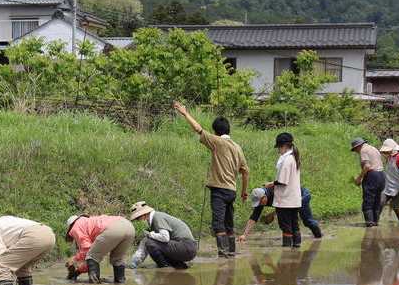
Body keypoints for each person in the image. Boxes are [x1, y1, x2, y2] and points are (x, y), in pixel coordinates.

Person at [172, 101, 250, 257]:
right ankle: (231, 253)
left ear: (216, 131)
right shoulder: (237, 147)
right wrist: (244, 192)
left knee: (218, 224)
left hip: (219, 191)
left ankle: (223, 254)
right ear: (228, 129)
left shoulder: (217, 141)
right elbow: (245, 171)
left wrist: (185, 113)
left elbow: (198, 129)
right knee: (229, 224)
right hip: (232, 191)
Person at [65, 214, 136, 283]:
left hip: (113, 229)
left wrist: (75, 261)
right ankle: (120, 283)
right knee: (117, 259)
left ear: (70, 227)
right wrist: (78, 265)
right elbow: (90, 251)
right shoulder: (88, 221)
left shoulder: (76, 227)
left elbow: (87, 251)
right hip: (129, 226)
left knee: (92, 257)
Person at [126, 202, 198, 269]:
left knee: (150, 243)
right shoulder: (153, 221)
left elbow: (165, 237)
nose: (138, 221)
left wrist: (150, 234)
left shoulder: (157, 217)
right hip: (186, 248)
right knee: (150, 242)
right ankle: (178, 265)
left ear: (144, 215)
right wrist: (134, 262)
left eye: (138, 218)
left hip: (186, 247)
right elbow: (144, 243)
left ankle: (164, 267)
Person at [269, 132, 304, 247]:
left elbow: (282, 181)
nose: (278, 150)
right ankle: (296, 249)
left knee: (286, 227)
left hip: (285, 200)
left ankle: (287, 253)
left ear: (284, 146)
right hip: (294, 200)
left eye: (279, 147)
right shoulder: (294, 158)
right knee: (295, 225)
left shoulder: (287, 160)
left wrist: (270, 184)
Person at [351, 137, 385, 227]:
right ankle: (375, 223)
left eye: (355, 150)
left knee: (368, 202)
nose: (356, 152)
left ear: (358, 146)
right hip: (381, 175)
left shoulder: (363, 150)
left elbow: (367, 166)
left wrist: (359, 178)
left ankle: (369, 225)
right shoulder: (374, 148)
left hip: (372, 176)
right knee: (376, 201)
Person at [378, 139, 399, 223]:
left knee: (395, 207)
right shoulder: (389, 158)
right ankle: (374, 222)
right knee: (380, 202)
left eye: (386, 151)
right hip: (389, 186)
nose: (385, 153)